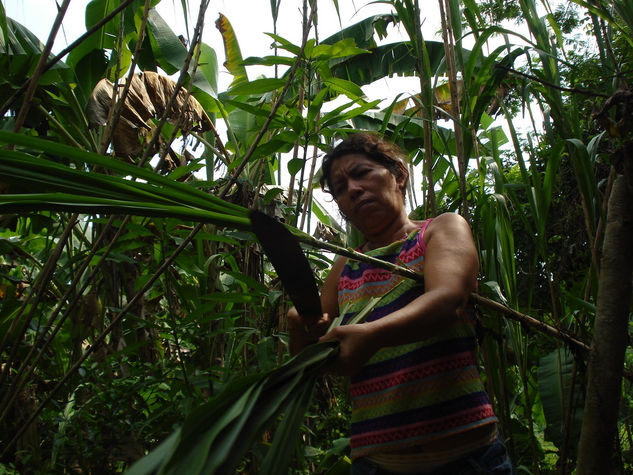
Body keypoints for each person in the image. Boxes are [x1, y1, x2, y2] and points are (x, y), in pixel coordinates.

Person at [287, 133, 515, 474]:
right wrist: (298, 326)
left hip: (467, 459)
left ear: (399, 174)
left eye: (362, 173)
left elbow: (447, 299)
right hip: (376, 465)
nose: (352, 189)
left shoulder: (439, 231)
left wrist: (373, 335)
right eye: (339, 187)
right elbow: (315, 359)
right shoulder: (345, 266)